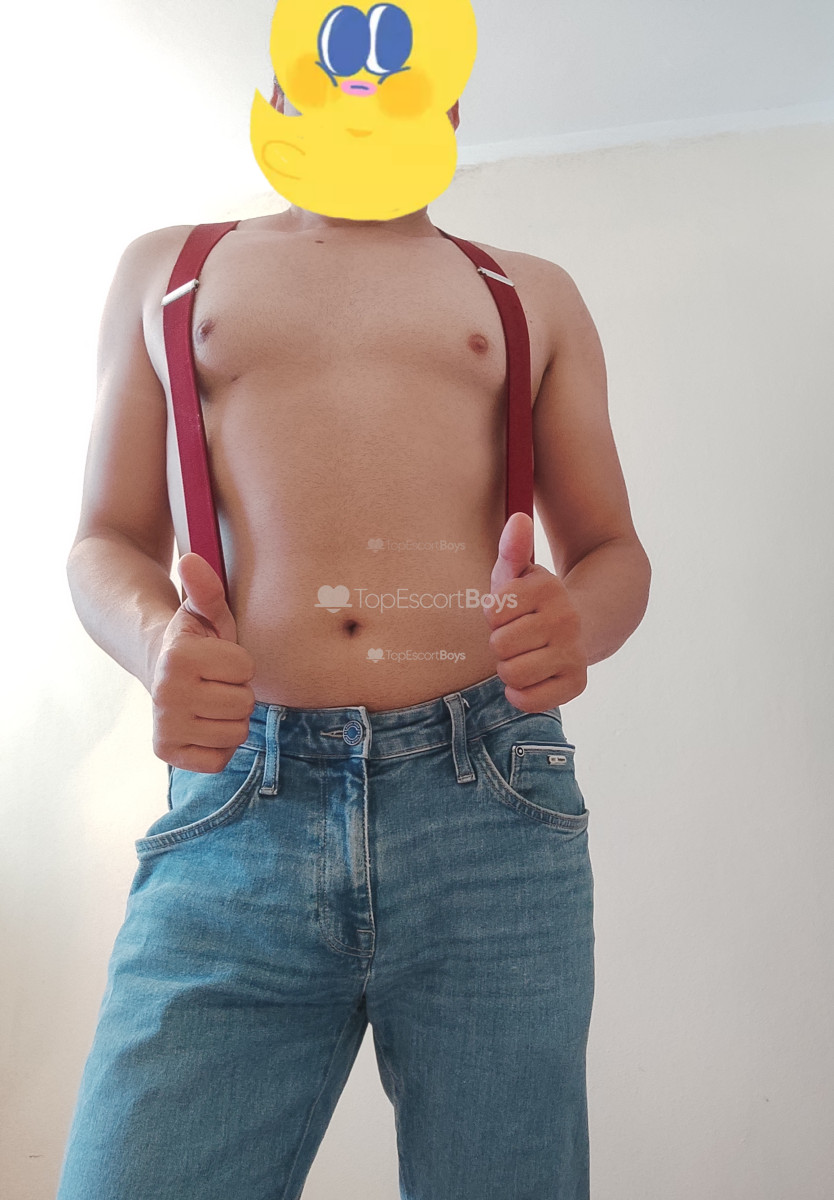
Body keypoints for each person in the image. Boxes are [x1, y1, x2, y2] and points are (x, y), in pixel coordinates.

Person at [56, 78, 651, 1200]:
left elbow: (614, 550)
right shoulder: (167, 271)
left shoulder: (531, 293)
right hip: (241, 804)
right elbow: (106, 540)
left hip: (488, 802)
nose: (362, 96)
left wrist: (580, 619)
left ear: (451, 107)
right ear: (277, 89)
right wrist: (152, 643)